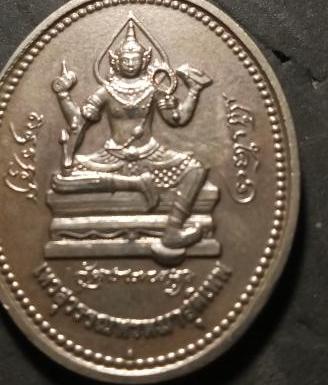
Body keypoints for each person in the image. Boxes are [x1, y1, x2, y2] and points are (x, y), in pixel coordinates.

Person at [52, 19, 211, 258]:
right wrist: (63, 94)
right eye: (125, 59)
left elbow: (177, 119)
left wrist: (194, 91)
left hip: (151, 155)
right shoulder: (107, 91)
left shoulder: (154, 88)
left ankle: (173, 229)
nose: (129, 63)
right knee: (62, 178)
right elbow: (79, 121)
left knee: (196, 168)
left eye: (134, 59)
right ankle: (137, 183)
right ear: (114, 61)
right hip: (112, 157)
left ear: (144, 60)